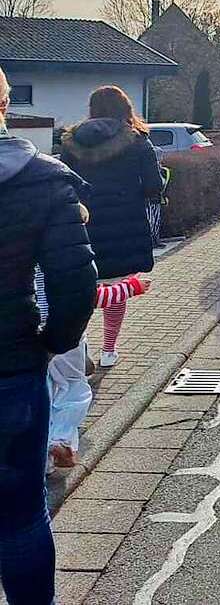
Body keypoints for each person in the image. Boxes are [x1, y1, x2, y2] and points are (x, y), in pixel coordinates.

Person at [0, 65, 97, 605]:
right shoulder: (41, 179)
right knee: (17, 517)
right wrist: (51, 342)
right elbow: (74, 283)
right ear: (6, 106)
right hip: (10, 367)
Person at [61, 85, 163, 368]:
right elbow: (154, 186)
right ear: (125, 108)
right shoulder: (138, 141)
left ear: (92, 109)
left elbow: (63, 184)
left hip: (83, 224)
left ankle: (78, 347)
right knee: (117, 287)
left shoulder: (71, 143)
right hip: (125, 226)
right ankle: (109, 350)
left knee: (83, 287)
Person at [39, 271, 151, 470]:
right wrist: (131, 287)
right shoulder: (60, 259)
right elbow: (90, 297)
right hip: (66, 334)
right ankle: (61, 441)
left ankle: (44, 460)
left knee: (42, 395)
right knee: (74, 389)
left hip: (29, 334)